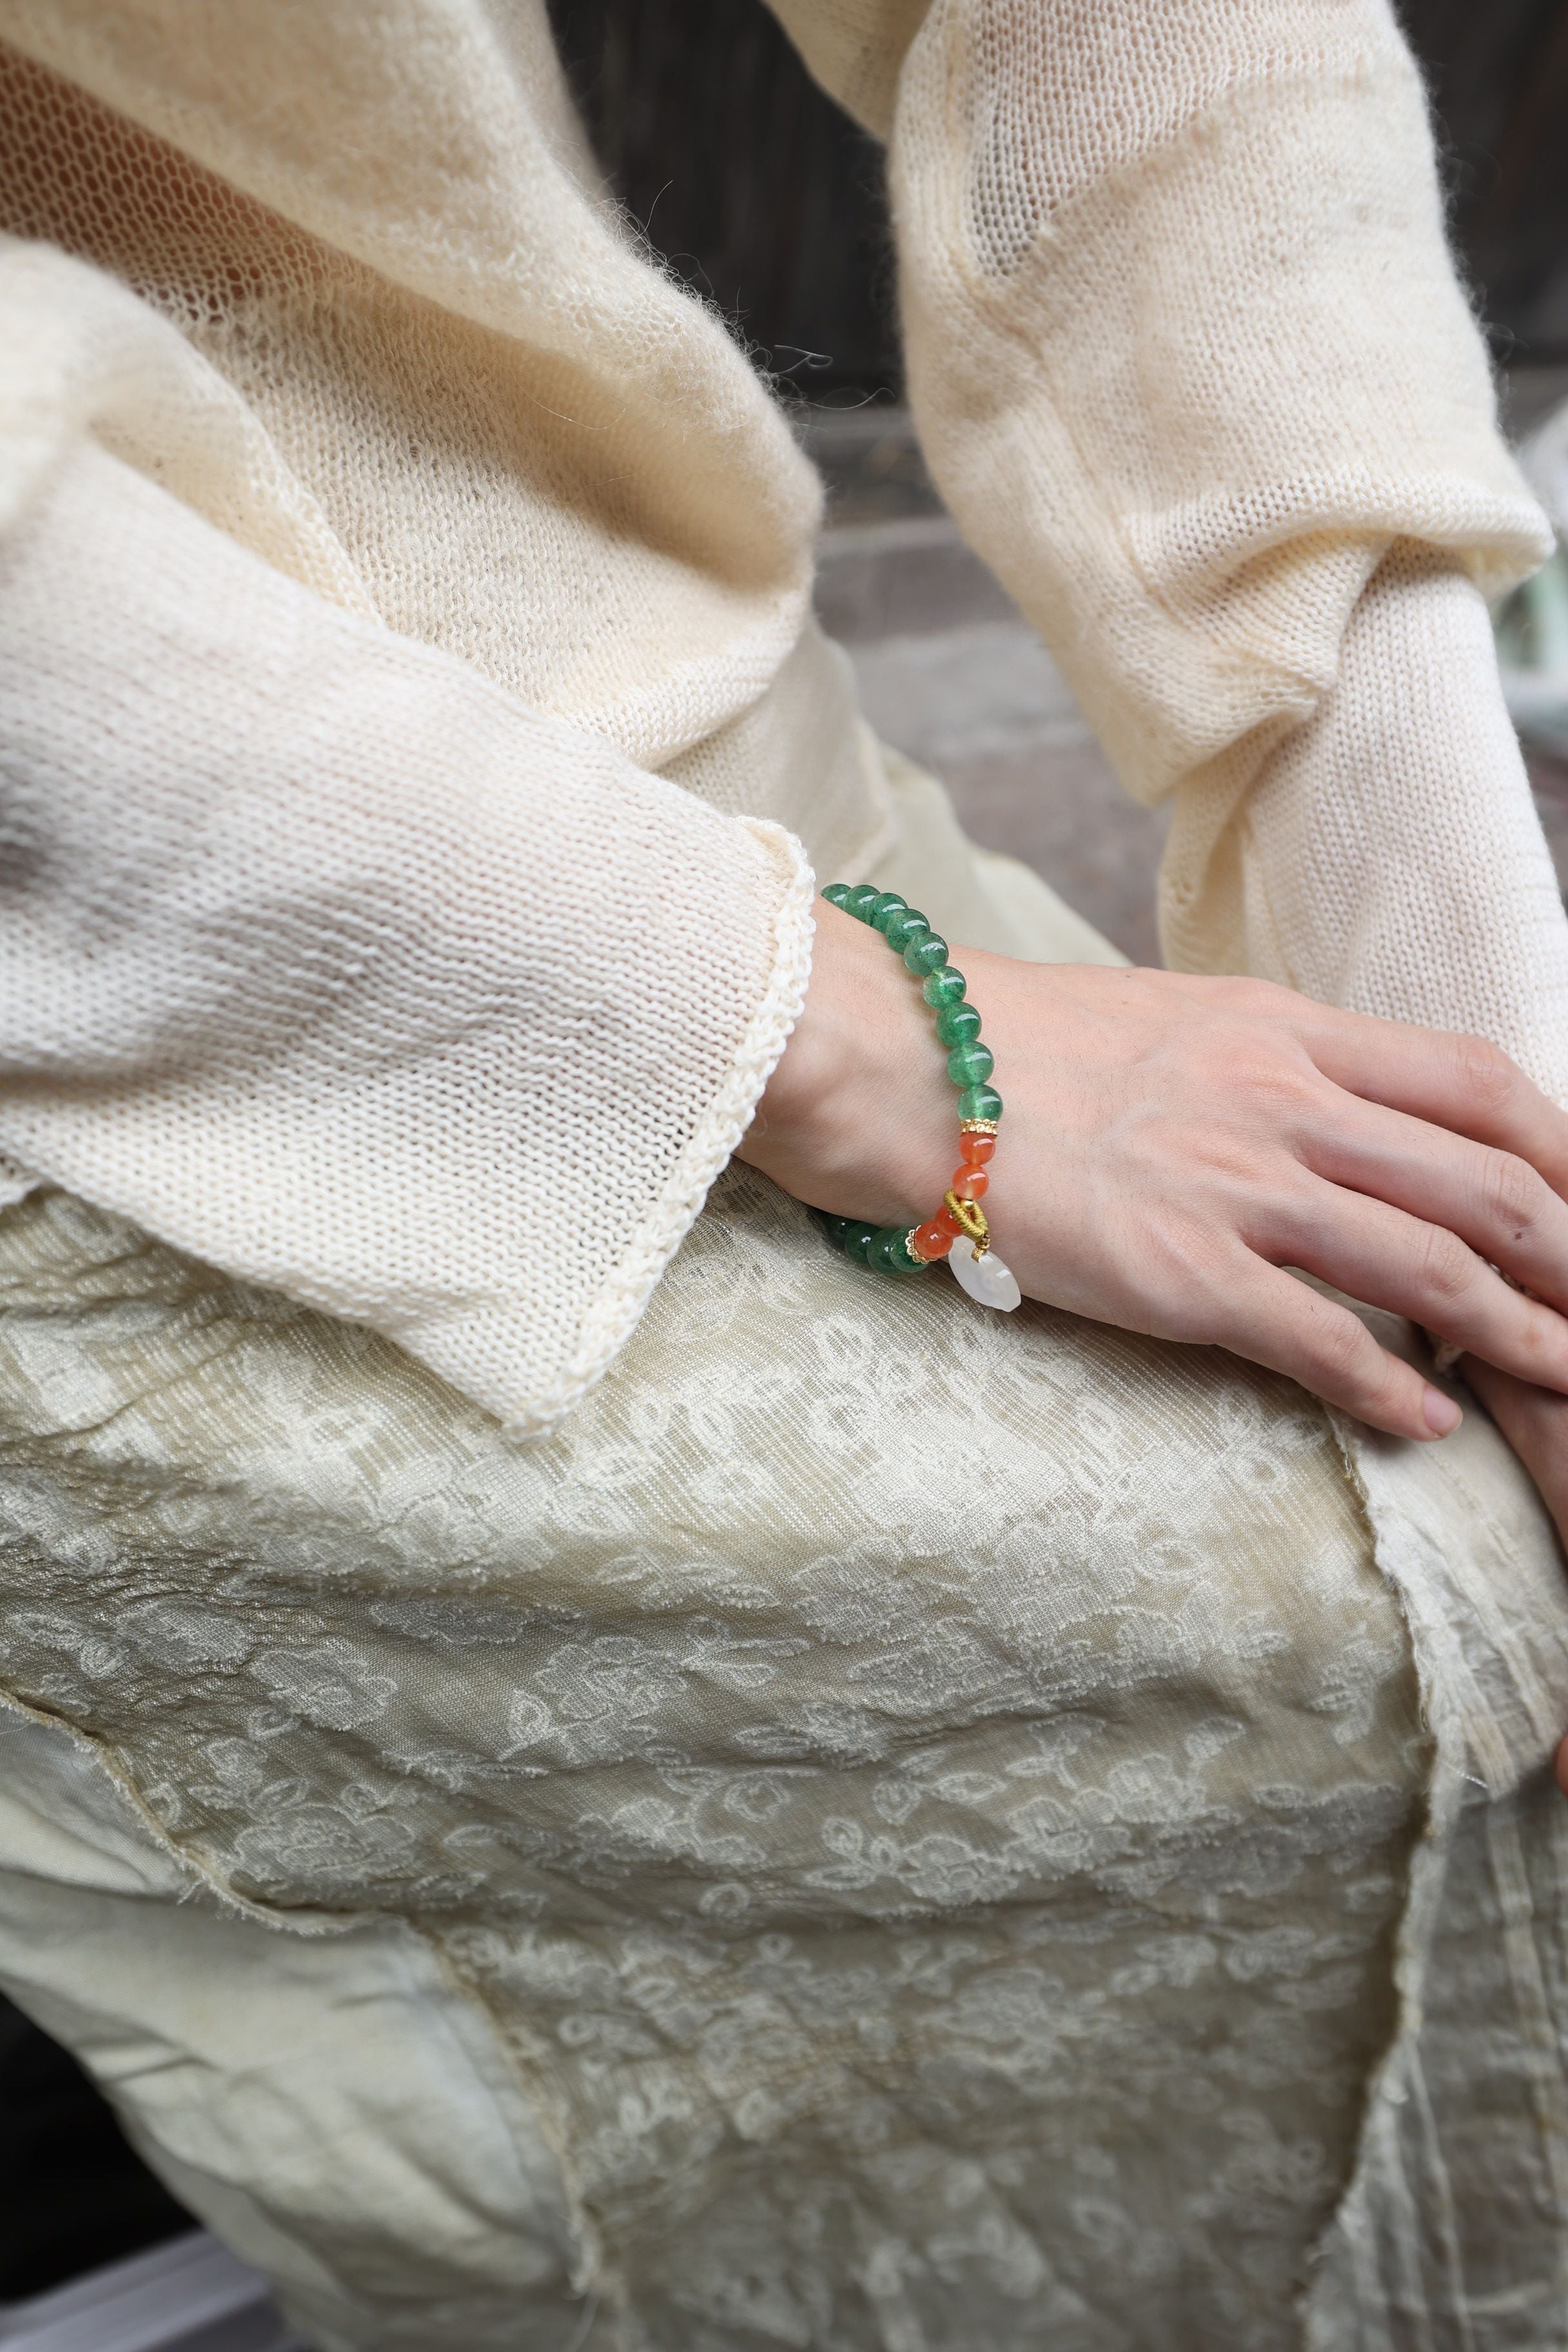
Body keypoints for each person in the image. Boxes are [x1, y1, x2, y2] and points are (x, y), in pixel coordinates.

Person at [1, 1, 1567, 2344]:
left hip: (685, 736)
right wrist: (846, 1044)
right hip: (104, 976)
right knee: (1321, 1659)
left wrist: (1474, 1058)